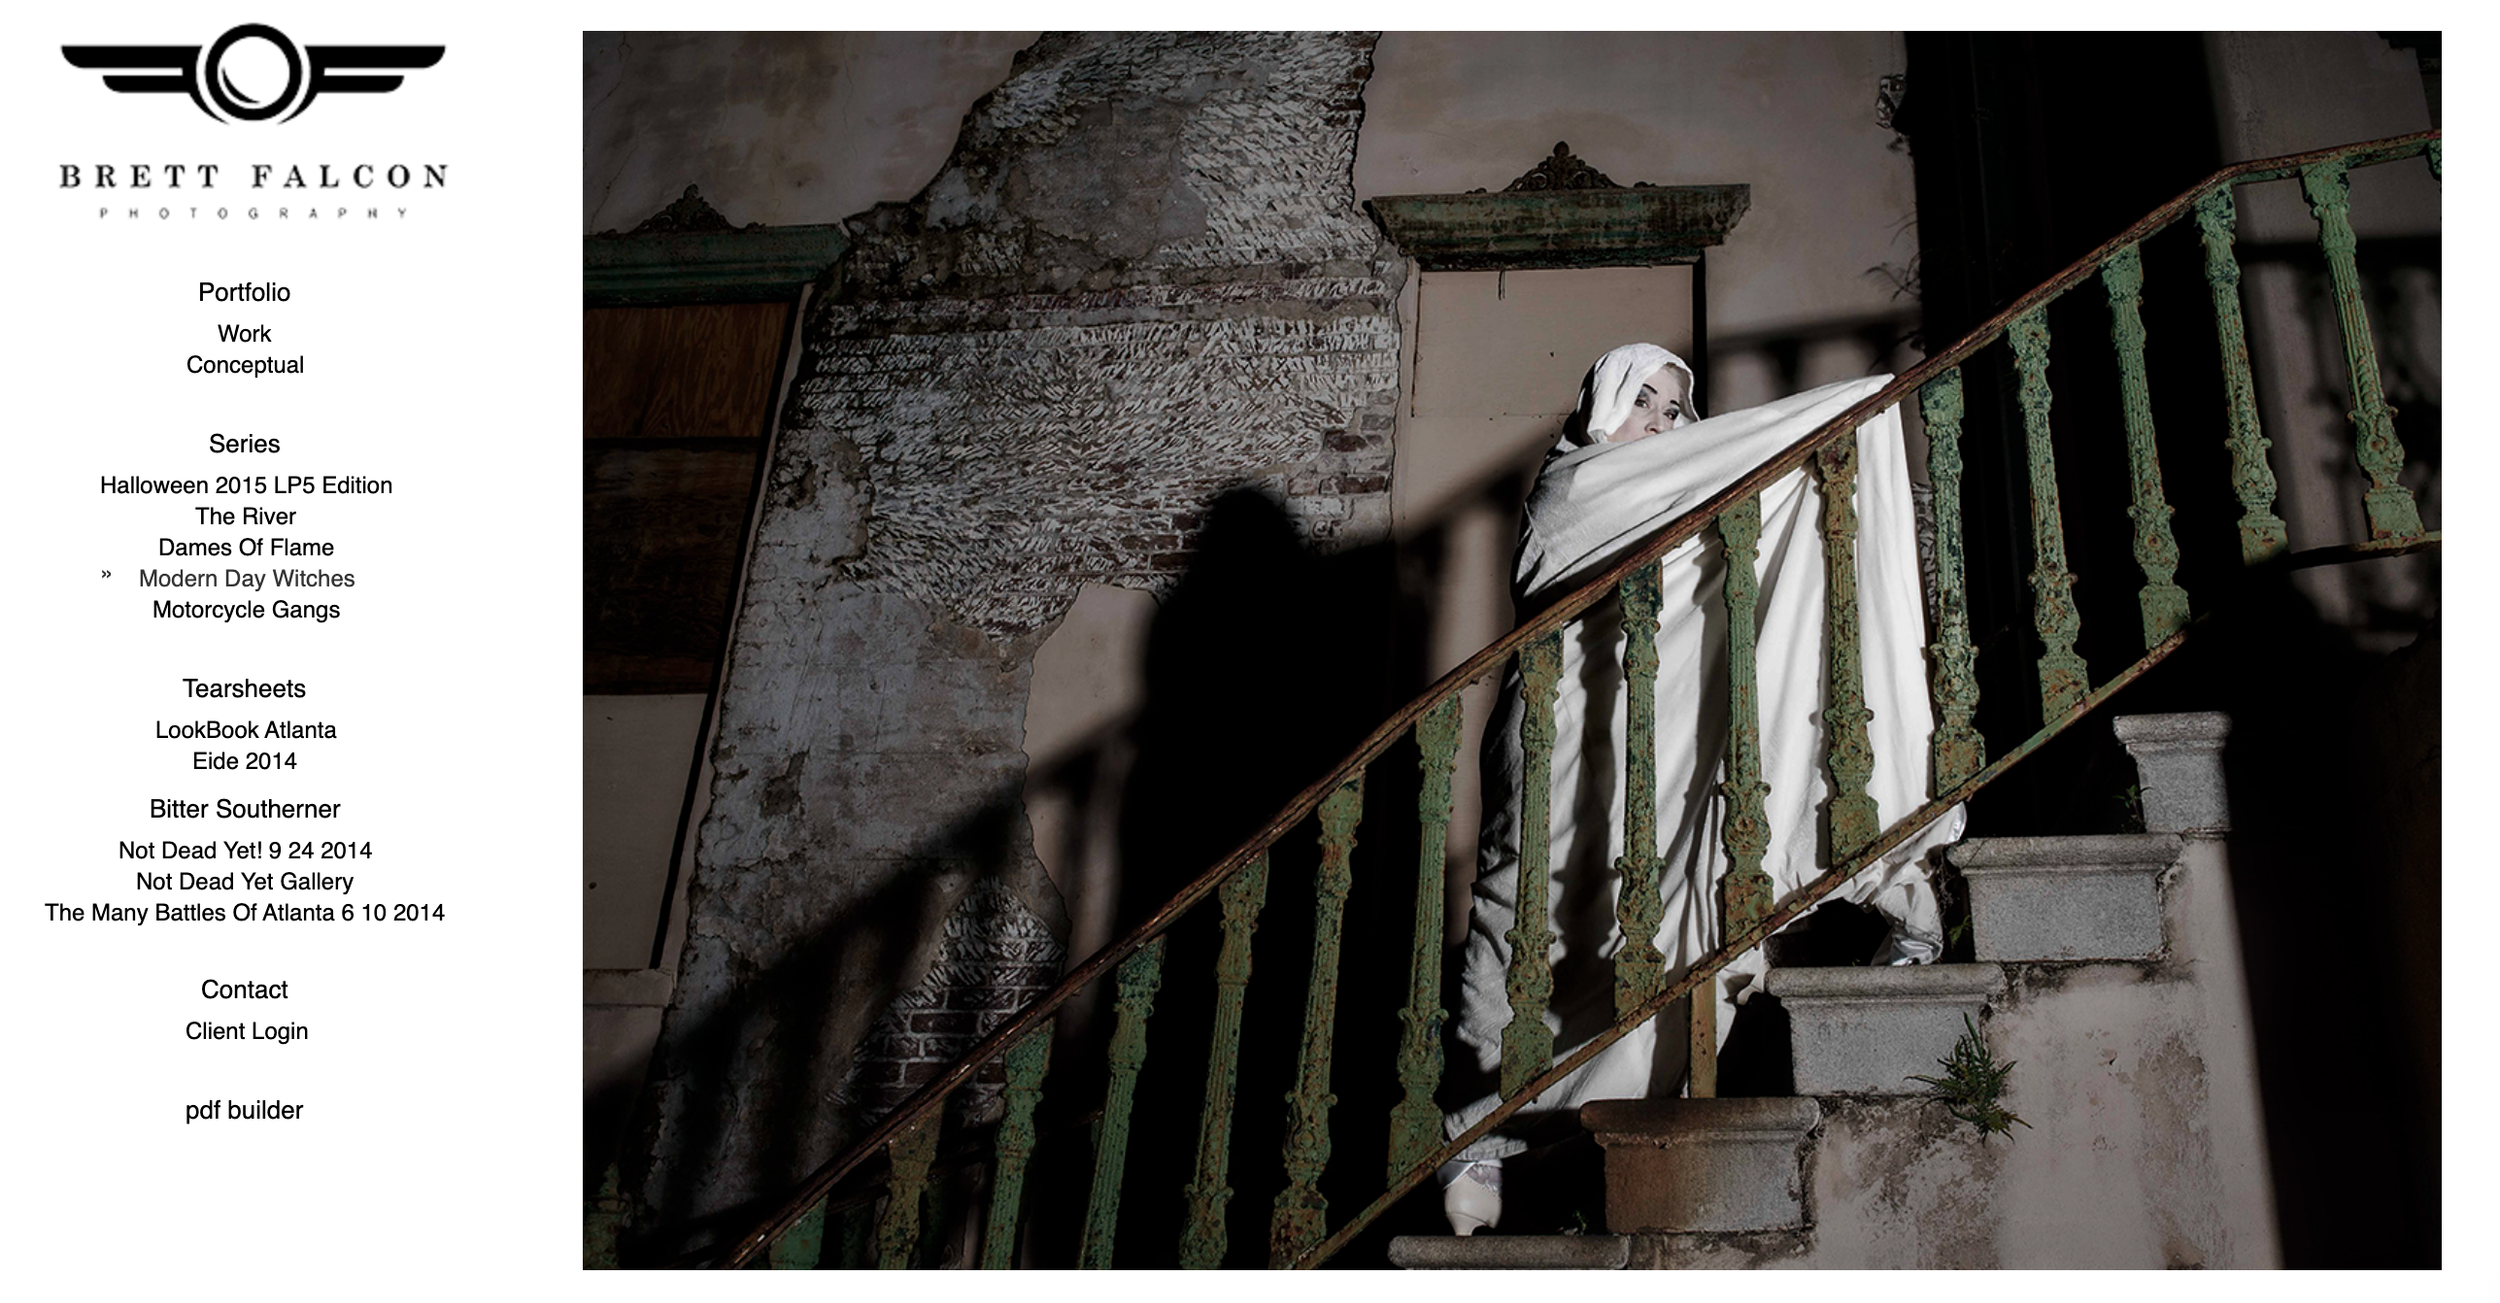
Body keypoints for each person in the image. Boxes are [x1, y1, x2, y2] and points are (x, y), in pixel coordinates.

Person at [1437, 344, 1963, 1234]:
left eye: (1677, 410)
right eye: (1639, 399)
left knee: (1658, 907)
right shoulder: (1572, 489)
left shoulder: (1688, 494)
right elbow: (1571, 562)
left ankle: (1884, 883)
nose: (1658, 421)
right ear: (1599, 408)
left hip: (1659, 730)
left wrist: (1851, 419)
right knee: (1521, 907)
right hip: (1560, 733)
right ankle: (1480, 1127)